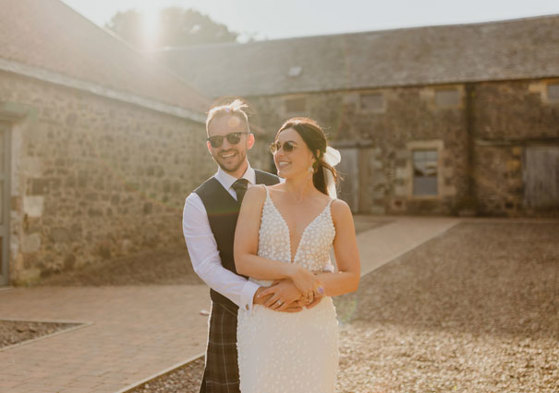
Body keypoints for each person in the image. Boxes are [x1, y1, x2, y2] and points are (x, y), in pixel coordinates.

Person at [182, 100, 305, 393]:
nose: (226, 146)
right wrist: (257, 295)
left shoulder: (278, 186)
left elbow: (298, 244)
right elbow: (207, 267)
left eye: (234, 137)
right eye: (217, 140)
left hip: (283, 308)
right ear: (209, 146)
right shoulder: (197, 202)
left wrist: (292, 288)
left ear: (249, 140)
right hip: (231, 313)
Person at [234, 117, 361, 393]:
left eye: (289, 147)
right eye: (277, 147)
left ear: (314, 154)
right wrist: (294, 272)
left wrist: (304, 287)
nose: (279, 154)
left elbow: (351, 277)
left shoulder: (337, 210)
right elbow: (242, 259)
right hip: (263, 321)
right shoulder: (258, 196)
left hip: (313, 325)